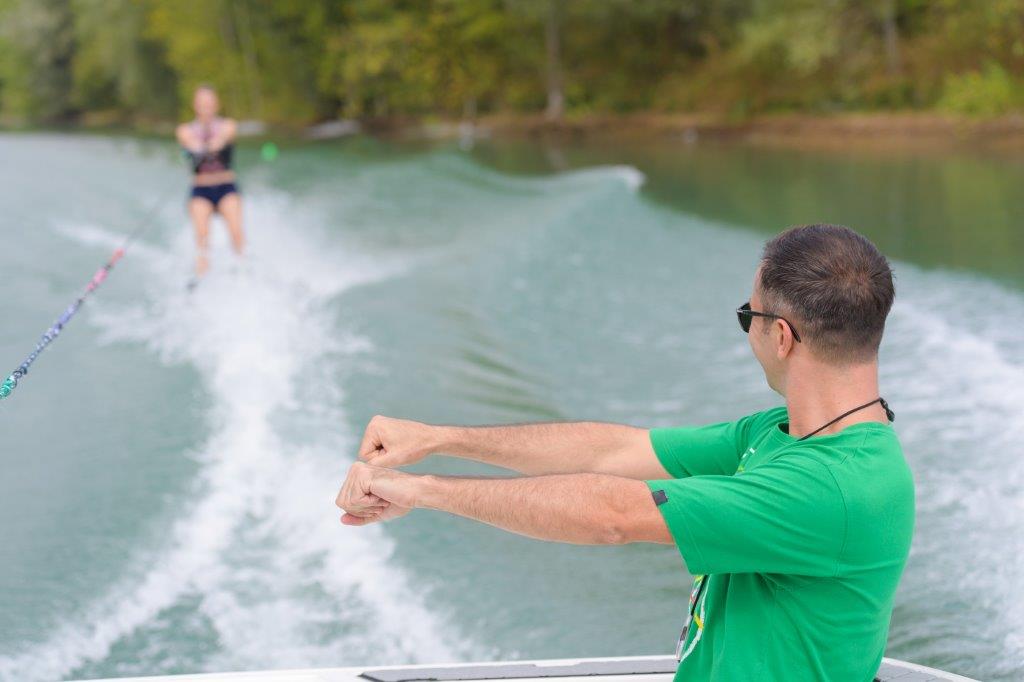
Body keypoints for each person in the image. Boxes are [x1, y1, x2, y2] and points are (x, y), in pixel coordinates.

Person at [335, 224, 915, 682]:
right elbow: (620, 449)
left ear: (782, 336)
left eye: (749, 317)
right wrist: (439, 438)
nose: (748, 332)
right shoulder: (786, 431)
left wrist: (422, 490)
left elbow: (614, 515)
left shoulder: (831, 488)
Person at [176, 85, 245, 278]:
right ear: (195, 106)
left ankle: (243, 270)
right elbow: (188, 141)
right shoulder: (185, 130)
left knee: (236, 232)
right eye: (202, 104)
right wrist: (198, 146)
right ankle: (201, 277)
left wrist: (217, 142)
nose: (206, 107)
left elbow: (225, 136)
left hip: (226, 187)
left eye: (210, 103)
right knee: (202, 238)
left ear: (216, 105)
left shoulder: (227, 125)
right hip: (201, 190)